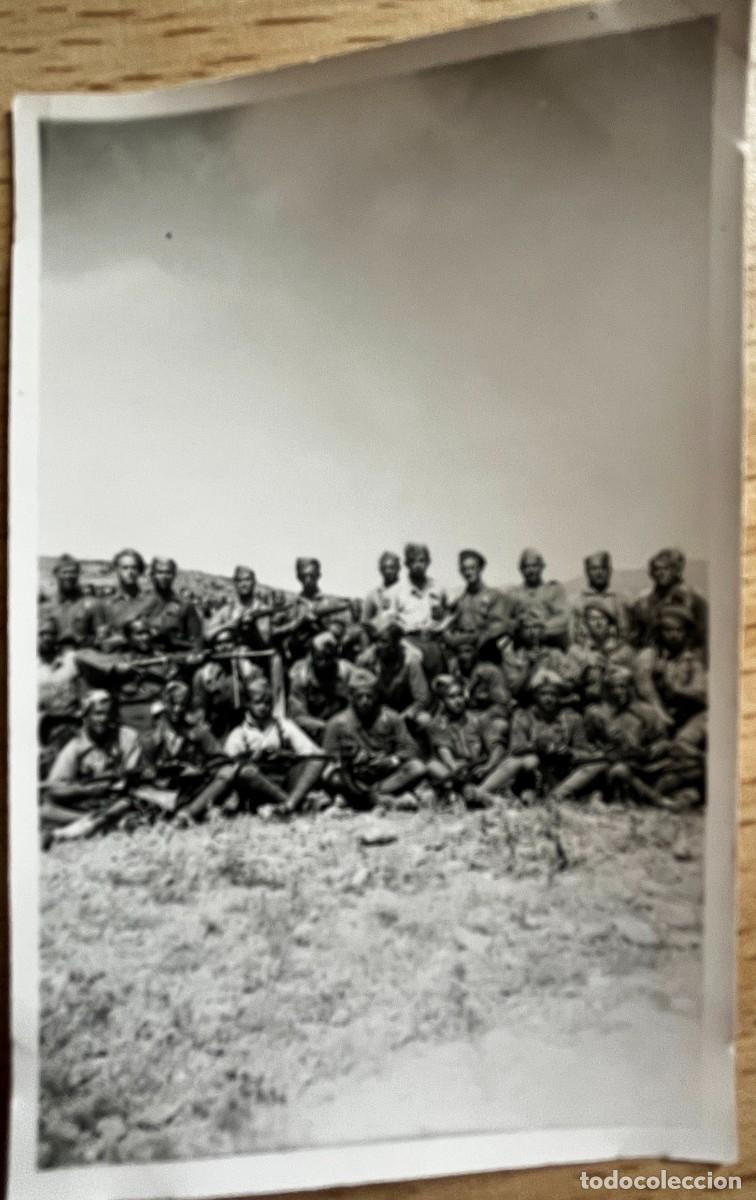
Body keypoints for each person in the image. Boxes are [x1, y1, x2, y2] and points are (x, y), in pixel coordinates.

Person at [550, 666, 666, 803]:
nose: (618, 692)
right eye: (613, 687)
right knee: (603, 767)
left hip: (640, 763)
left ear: (631, 688)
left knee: (620, 770)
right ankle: (558, 795)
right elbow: (586, 742)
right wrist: (599, 750)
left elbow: (663, 740)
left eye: (623, 687)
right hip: (606, 759)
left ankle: (652, 799)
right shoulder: (596, 713)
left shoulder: (647, 712)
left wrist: (651, 751)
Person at [634, 606, 707, 806]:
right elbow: (644, 688)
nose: (673, 635)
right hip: (658, 719)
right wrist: (660, 714)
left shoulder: (692, 660)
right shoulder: (649, 656)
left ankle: (699, 773)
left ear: (686, 633)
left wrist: (674, 689)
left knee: (684, 743)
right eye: (667, 630)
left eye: (678, 630)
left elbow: (702, 694)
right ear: (659, 632)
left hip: (688, 718)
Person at [322, 669, 427, 808]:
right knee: (331, 776)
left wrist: (392, 760)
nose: (365, 701)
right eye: (359, 697)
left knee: (417, 767)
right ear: (351, 697)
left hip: (384, 775)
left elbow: (410, 748)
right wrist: (352, 761)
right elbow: (328, 756)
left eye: (369, 696)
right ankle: (378, 799)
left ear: (377, 696)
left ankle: (367, 798)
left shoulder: (390, 717)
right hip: (353, 776)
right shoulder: (337, 723)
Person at [75, 616, 194, 734]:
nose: (145, 638)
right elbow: (80, 655)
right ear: (128, 637)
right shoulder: (119, 657)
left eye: (147, 633)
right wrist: (115, 667)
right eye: (139, 634)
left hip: (156, 713)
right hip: (124, 715)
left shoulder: (161, 658)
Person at [139, 680, 238, 821]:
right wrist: (151, 773)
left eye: (182, 705)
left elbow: (221, 759)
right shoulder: (151, 740)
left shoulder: (198, 732)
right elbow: (143, 772)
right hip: (163, 791)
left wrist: (200, 769)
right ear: (164, 704)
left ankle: (186, 814)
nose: (177, 709)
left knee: (227, 774)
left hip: (194, 788)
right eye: (172, 704)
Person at [225, 676, 325, 814]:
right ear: (248, 703)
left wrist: (286, 755)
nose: (264, 707)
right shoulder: (240, 732)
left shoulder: (282, 726)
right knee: (246, 773)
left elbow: (310, 751)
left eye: (268, 703)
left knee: (317, 761)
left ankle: (289, 804)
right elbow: (230, 766)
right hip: (258, 786)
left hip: (284, 778)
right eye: (258, 702)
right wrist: (257, 757)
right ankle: (292, 803)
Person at [42, 690, 141, 829]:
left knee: (136, 799)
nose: (104, 719)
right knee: (45, 810)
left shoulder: (127, 736)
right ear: (86, 716)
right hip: (86, 802)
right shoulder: (75, 746)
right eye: (98, 713)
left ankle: (99, 822)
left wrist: (117, 782)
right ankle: (102, 821)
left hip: (121, 798)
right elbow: (54, 788)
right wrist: (86, 790)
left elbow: (133, 775)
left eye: (108, 713)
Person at [498, 669, 584, 798]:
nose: (549, 699)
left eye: (553, 694)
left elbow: (583, 748)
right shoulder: (523, 716)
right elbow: (515, 748)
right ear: (535, 696)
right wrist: (537, 746)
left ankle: (560, 792)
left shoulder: (572, 718)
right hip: (531, 772)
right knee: (529, 762)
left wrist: (568, 752)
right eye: (543, 694)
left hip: (562, 770)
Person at [426, 675, 508, 805]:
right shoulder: (438, 724)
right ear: (443, 701)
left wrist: (488, 766)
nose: (458, 701)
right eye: (452, 697)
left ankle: (466, 794)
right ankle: (474, 794)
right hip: (455, 773)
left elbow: (496, 746)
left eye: (459, 695)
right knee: (433, 766)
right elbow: (444, 752)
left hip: (478, 769)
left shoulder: (478, 719)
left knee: (509, 762)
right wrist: (454, 766)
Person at [271, 558, 351, 664]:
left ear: (319, 576)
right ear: (298, 577)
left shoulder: (331, 603)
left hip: (326, 660)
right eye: (304, 576)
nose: (308, 580)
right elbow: (273, 632)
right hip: (298, 659)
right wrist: (298, 623)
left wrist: (322, 626)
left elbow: (340, 630)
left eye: (312, 576)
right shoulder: (291, 605)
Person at [191, 627, 265, 739]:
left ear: (235, 643)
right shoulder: (204, 674)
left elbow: (261, 697)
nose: (224, 647)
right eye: (219, 643)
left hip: (249, 724)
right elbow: (200, 709)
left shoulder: (248, 668)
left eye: (228, 641)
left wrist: (245, 669)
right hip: (219, 728)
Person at [630, 548, 707, 652]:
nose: (660, 573)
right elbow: (636, 636)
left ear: (677, 571)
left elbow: (704, 635)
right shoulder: (643, 602)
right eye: (656, 569)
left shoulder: (694, 598)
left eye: (666, 569)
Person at [356, 619, 431, 721]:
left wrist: (401, 719)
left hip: (404, 709)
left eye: (384, 642)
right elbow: (357, 678)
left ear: (396, 644)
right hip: (380, 707)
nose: (379, 645)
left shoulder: (410, 661)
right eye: (376, 641)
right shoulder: (373, 657)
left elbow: (422, 699)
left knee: (424, 719)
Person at [37, 615, 84, 774]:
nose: (45, 638)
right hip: (43, 727)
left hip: (74, 723)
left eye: (50, 633)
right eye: (40, 634)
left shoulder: (70, 660)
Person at [288, 631, 355, 741]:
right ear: (312, 654)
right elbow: (298, 717)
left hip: (345, 728)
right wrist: (328, 727)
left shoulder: (346, 671)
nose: (323, 663)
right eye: (319, 658)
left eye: (328, 658)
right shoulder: (301, 677)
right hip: (313, 732)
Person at [447, 549, 513, 658]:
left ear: (480, 569)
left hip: (486, 650)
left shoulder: (494, 595)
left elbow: (498, 626)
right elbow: (450, 624)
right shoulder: (460, 599)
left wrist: (476, 637)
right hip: (462, 652)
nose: (468, 572)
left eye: (472, 568)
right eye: (465, 569)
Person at [500, 610, 572, 701]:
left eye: (536, 627)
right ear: (520, 632)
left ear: (542, 630)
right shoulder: (512, 657)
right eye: (526, 627)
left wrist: (553, 680)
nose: (532, 632)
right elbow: (514, 691)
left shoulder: (555, 654)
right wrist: (528, 666)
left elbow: (570, 685)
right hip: (526, 704)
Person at [446, 627, 511, 725]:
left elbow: (502, 705)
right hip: (461, 719)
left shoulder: (491, 671)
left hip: (486, 718)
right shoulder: (453, 669)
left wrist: (482, 717)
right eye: (459, 652)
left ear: (476, 652)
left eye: (468, 651)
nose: (463, 656)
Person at [506, 549, 568, 648]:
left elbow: (563, 618)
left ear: (541, 567)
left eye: (534, 566)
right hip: (523, 647)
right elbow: (506, 620)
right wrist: (518, 625)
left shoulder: (553, 590)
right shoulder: (514, 594)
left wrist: (542, 627)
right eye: (526, 567)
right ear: (521, 570)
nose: (530, 570)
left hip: (550, 646)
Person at [39, 553, 106, 647]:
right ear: (56, 574)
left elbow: (102, 641)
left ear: (78, 574)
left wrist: (85, 641)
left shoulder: (93, 604)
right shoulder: (47, 606)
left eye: (73, 572)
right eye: (65, 572)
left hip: (83, 655)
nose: (69, 576)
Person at [139, 558, 203, 652]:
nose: (164, 576)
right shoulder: (138, 603)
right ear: (152, 575)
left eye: (168, 573)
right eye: (159, 572)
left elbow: (197, 641)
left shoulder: (185, 605)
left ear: (174, 575)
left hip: (174, 659)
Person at [204, 565, 273, 649]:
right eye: (240, 581)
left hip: (254, 658)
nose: (244, 584)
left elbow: (265, 641)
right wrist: (229, 625)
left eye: (247, 580)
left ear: (254, 582)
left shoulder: (262, 609)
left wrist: (252, 627)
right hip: (228, 657)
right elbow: (207, 634)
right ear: (235, 584)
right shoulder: (227, 610)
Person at [564, 598, 635, 679]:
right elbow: (568, 680)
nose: (598, 623)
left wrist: (628, 673)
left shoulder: (624, 650)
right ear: (586, 623)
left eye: (602, 618)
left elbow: (637, 675)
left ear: (609, 622)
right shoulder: (576, 651)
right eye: (593, 619)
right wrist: (585, 666)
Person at [570, 551, 630, 644]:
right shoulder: (577, 602)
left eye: (603, 568)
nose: (599, 573)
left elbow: (626, 634)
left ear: (609, 571)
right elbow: (573, 637)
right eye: (594, 569)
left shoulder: (620, 600)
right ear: (587, 572)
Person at [99, 548, 148, 647]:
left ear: (140, 571)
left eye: (134, 568)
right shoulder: (106, 604)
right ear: (117, 570)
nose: (130, 572)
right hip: (116, 657)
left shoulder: (150, 600)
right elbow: (101, 642)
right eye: (125, 568)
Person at [363, 552, 401, 625]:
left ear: (398, 568)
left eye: (392, 567)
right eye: (384, 568)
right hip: (380, 633)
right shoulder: (373, 595)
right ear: (380, 570)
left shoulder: (408, 591)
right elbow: (365, 623)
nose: (388, 571)